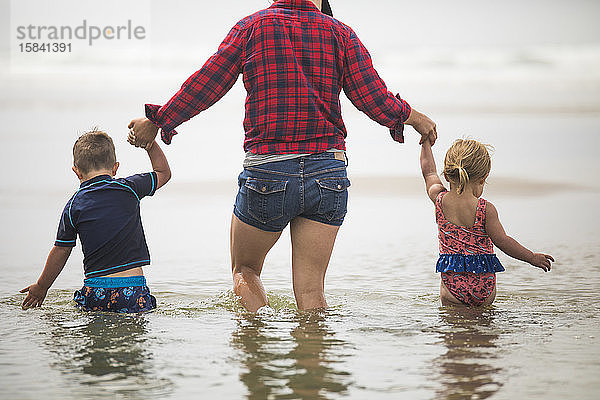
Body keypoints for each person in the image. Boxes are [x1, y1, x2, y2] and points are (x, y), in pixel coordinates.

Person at [128, 0, 437, 311]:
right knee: (312, 293)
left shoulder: (251, 28)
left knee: (245, 272)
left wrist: (159, 120)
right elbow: (373, 98)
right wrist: (415, 118)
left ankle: (256, 351)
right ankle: (313, 354)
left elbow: (207, 83)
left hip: (269, 173)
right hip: (328, 176)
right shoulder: (341, 34)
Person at [20, 129, 171, 312]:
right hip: (132, 290)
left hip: (96, 290)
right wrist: (150, 144)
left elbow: (61, 250)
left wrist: (41, 287)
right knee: (133, 336)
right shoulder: (130, 188)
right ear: (115, 168)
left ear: (76, 172)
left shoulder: (73, 206)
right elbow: (163, 173)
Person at [419, 138, 554, 306]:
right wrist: (531, 257)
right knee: (485, 327)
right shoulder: (485, 209)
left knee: (453, 328)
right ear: (483, 179)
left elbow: (429, 173)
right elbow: (503, 241)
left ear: (446, 175)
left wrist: (425, 143)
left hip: (452, 285)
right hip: (484, 284)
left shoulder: (439, 199)